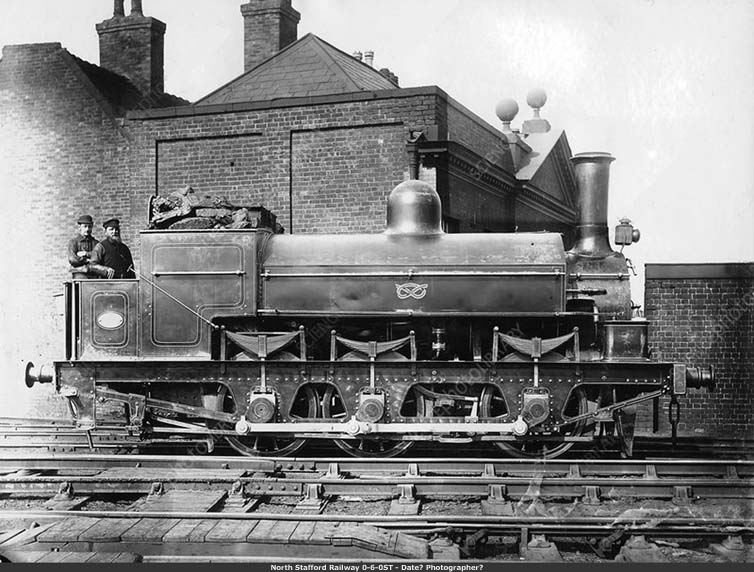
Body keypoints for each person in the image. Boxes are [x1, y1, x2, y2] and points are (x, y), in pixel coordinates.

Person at [67, 214, 98, 279]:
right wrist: (87, 260)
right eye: (85, 226)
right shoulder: (73, 242)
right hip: (79, 273)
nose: (87, 229)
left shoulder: (96, 243)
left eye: (89, 227)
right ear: (80, 227)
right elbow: (73, 260)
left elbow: (99, 257)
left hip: (94, 273)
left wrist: (86, 254)